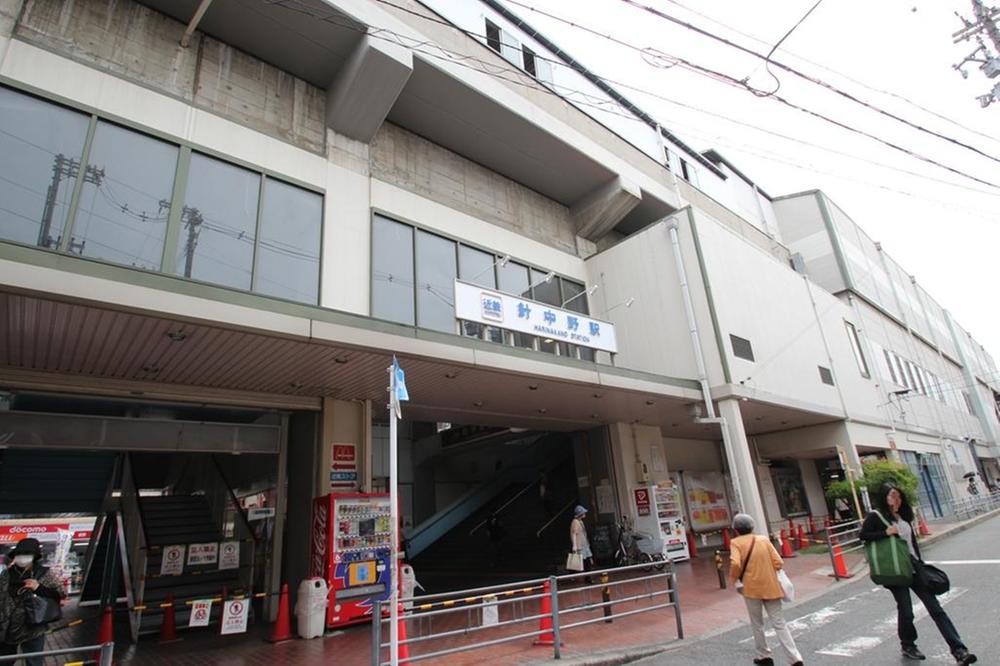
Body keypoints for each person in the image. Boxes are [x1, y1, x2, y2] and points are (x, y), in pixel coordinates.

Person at [859, 484, 977, 664]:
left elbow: (912, 543)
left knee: (936, 609)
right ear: (884, 498)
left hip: (913, 567)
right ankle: (908, 645)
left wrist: (921, 564)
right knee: (906, 610)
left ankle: (959, 650)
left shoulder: (904, 517)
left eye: (898, 496)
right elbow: (863, 535)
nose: (896, 500)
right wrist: (885, 532)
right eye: (892, 496)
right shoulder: (877, 516)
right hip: (895, 570)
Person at [728, 513, 803, 666]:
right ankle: (795, 658)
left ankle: (764, 656)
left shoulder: (735, 543)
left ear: (736, 529)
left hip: (751, 588)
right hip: (771, 586)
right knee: (779, 623)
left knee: (757, 623)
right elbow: (778, 562)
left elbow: (735, 564)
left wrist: (734, 578)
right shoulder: (763, 539)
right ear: (752, 526)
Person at [0, 538, 66, 666]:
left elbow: (60, 593)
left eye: (26, 554)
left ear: (34, 556)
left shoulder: (44, 573)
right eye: (19, 554)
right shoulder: (6, 574)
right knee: (4, 662)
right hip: (7, 627)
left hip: (33, 626)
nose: (21, 558)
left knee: (34, 662)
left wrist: (38, 588)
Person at [569, 505, 593, 581]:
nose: (585, 514)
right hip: (580, 546)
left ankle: (587, 577)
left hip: (584, 545)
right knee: (580, 562)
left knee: (586, 562)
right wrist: (574, 545)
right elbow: (574, 533)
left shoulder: (580, 521)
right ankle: (573, 575)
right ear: (580, 514)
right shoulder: (575, 522)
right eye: (583, 512)